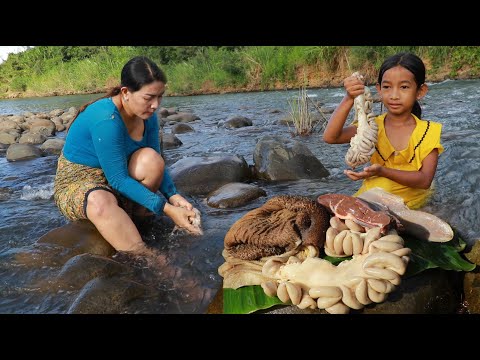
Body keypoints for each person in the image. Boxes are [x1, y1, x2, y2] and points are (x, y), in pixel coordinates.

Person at [53, 56, 201, 253]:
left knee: (152, 160)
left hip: (119, 174)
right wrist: (167, 209)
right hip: (80, 180)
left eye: (160, 96)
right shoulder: (106, 119)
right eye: (149, 97)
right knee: (100, 201)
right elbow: (118, 179)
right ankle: (145, 257)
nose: (156, 105)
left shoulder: (147, 116)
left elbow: (157, 162)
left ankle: (138, 220)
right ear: (126, 92)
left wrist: (173, 196)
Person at [323, 52, 444, 209]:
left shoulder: (428, 131)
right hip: (370, 198)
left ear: (420, 92)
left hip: (409, 202)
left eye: (404, 87)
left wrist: (382, 171)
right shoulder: (372, 126)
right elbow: (331, 137)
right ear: (379, 90)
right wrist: (349, 98)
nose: (394, 95)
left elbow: (424, 180)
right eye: (387, 87)